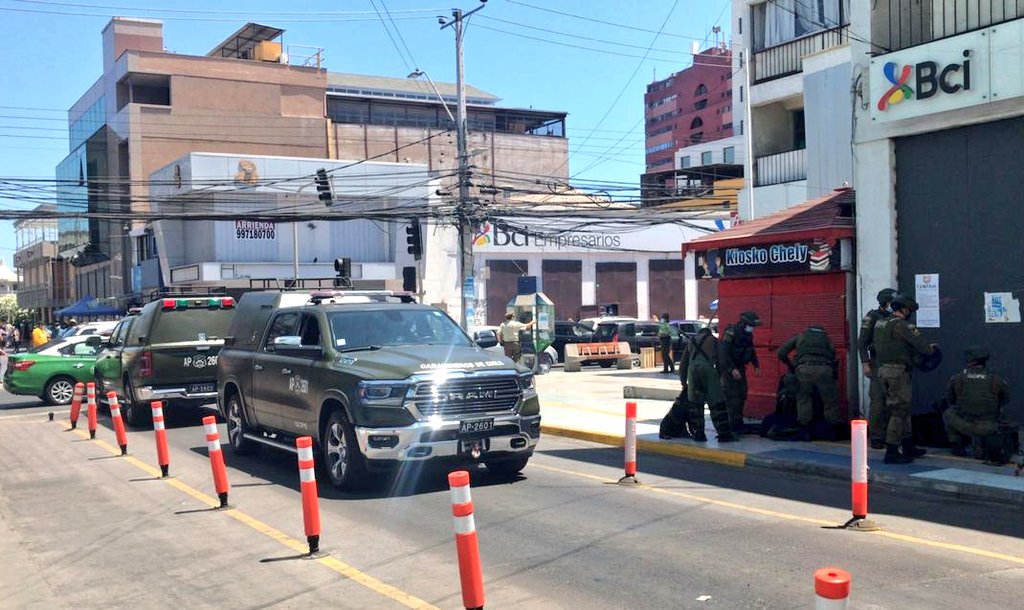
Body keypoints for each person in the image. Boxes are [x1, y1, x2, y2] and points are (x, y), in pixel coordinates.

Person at [872, 294, 936, 464]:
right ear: (905, 309)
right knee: (899, 411)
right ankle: (892, 450)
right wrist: (931, 349)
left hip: (883, 370)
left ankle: (908, 445)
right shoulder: (903, 325)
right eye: (910, 310)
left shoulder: (880, 323)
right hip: (898, 372)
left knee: (903, 410)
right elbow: (924, 348)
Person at [943, 347, 1022, 461]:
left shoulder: (957, 378)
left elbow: (950, 399)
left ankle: (957, 443)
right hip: (988, 426)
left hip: (963, 423)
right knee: (1000, 418)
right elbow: (1006, 399)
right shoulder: (996, 379)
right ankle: (981, 447)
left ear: (969, 362)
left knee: (948, 413)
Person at [777, 326, 842, 434]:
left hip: (804, 370)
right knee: (830, 401)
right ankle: (832, 427)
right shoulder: (826, 338)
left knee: (803, 398)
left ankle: (804, 425)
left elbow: (781, 352)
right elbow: (833, 353)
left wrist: (791, 365)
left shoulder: (800, 336)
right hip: (824, 370)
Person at [858, 288, 897, 448]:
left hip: (895, 364)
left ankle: (892, 435)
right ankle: (877, 436)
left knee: (894, 401)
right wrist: (865, 363)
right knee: (878, 401)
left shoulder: (897, 317)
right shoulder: (872, 317)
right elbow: (862, 342)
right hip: (878, 363)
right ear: (885, 302)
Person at [718, 311, 762, 434]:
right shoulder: (731, 332)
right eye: (751, 325)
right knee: (732, 397)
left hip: (740, 368)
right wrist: (732, 369)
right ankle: (731, 424)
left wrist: (756, 365)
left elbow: (751, 351)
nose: (752, 328)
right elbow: (724, 353)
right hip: (729, 370)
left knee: (742, 394)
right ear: (744, 323)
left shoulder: (748, 335)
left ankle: (738, 422)